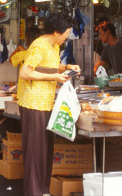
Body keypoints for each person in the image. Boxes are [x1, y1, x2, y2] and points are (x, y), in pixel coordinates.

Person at [17, 11, 80, 196]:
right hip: (32, 103)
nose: (67, 37)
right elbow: (25, 73)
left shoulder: (54, 47)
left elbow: (50, 65)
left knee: (45, 150)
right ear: (56, 32)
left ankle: (43, 190)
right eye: (66, 33)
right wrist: (55, 77)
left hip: (46, 103)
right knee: (35, 151)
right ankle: (33, 192)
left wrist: (67, 67)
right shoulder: (39, 46)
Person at [9, 26, 43, 100]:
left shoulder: (23, 54)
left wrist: (19, 48)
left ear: (27, 39)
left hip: (24, 95)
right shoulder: (44, 54)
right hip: (40, 95)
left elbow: (10, 60)